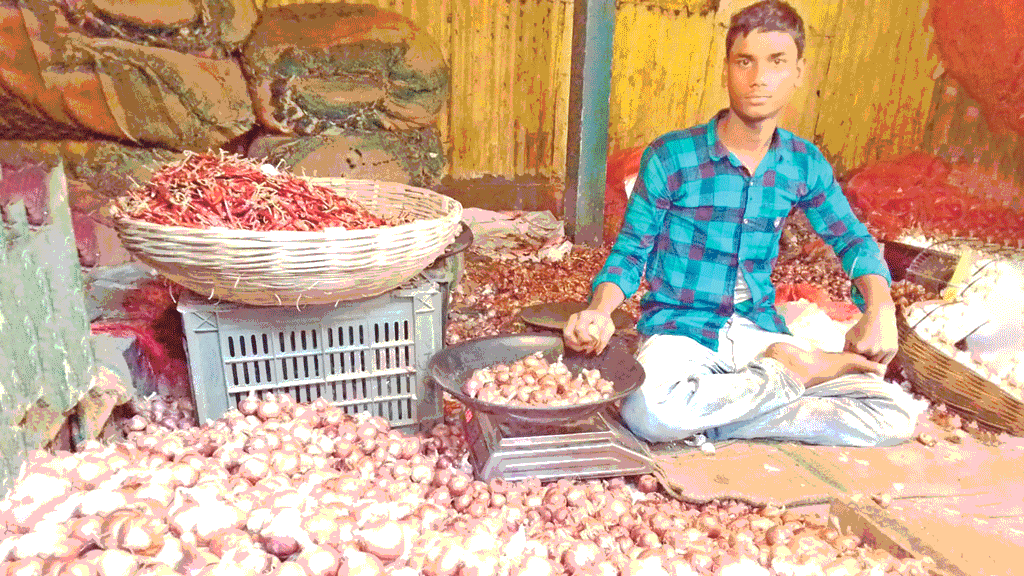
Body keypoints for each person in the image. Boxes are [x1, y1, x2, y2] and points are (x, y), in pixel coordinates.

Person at [563, 0, 923, 447]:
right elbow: (631, 252)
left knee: (893, 416)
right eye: (745, 62)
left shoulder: (803, 163)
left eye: (777, 62)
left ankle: (735, 399)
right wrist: (599, 312)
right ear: (727, 70)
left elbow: (852, 239)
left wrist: (880, 306)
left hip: (759, 331)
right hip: (683, 332)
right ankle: (790, 376)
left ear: (798, 72)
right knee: (648, 410)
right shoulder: (672, 157)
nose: (759, 79)